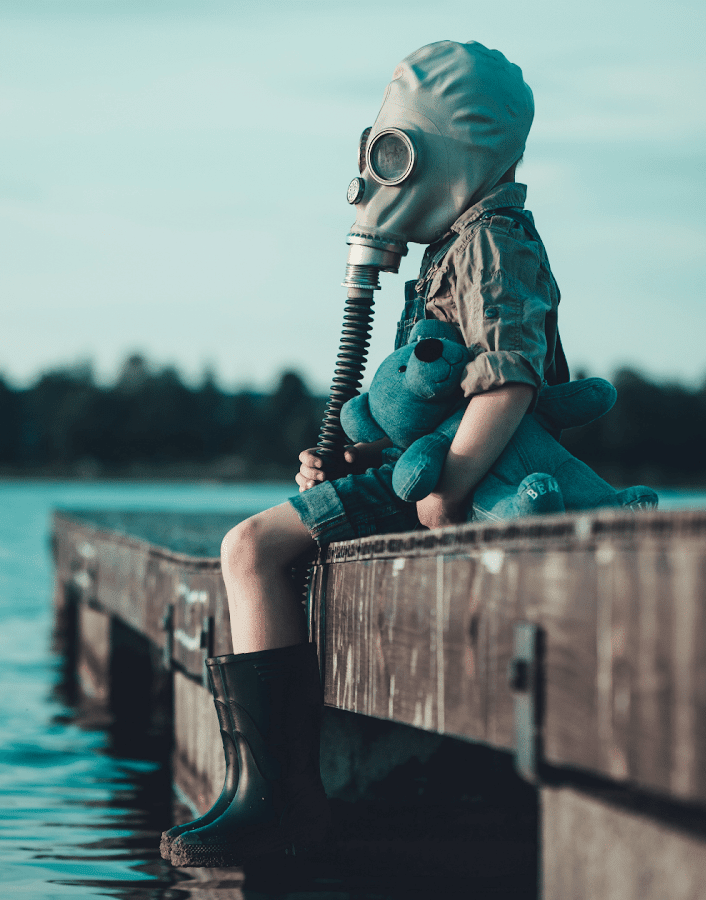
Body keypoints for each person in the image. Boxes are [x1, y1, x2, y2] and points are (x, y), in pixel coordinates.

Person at [162, 40, 570, 868]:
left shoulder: (493, 242)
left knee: (250, 548)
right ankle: (255, 790)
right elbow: (421, 396)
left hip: (464, 473)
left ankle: (279, 801)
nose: (379, 175)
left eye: (395, 151)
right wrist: (349, 462)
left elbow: (507, 381)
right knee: (260, 548)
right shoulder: (454, 249)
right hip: (420, 464)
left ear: (455, 151)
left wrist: (449, 484)